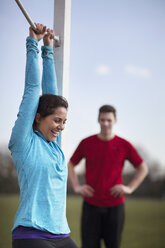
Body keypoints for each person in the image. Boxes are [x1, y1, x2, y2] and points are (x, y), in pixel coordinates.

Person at [8, 24, 78, 248]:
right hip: (31, 234)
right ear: (37, 117)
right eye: (57, 121)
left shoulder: (53, 144)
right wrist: (33, 43)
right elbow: (32, 89)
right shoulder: (23, 142)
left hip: (61, 234)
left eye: (64, 122)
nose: (61, 127)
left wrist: (48, 50)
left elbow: (51, 96)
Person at [68, 104, 148, 248]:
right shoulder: (87, 143)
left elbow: (143, 168)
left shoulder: (124, 145)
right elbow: (71, 164)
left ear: (115, 121)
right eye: (102, 119)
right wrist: (77, 186)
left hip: (115, 207)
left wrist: (129, 188)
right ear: (98, 120)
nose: (105, 123)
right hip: (91, 206)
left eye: (109, 120)